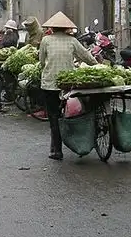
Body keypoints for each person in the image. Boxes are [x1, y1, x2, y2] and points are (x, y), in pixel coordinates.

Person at [38, 11, 98, 160]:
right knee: (73, 112)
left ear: (52, 28)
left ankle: (56, 151)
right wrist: (97, 64)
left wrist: (46, 67)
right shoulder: (72, 41)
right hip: (68, 84)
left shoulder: (46, 40)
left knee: (53, 117)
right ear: (66, 28)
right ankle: (78, 140)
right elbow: (86, 56)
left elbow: (41, 61)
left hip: (49, 84)